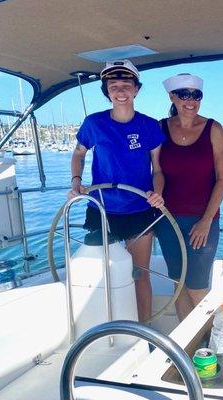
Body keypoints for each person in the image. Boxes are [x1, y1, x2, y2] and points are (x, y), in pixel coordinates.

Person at [68, 59, 164, 322]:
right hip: (101, 209)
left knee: (139, 273)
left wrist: (157, 192)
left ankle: (143, 330)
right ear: (106, 91)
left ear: (136, 90)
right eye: (113, 86)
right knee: (104, 274)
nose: (120, 91)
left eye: (126, 85)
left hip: (139, 210)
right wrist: (76, 182)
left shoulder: (149, 126)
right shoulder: (94, 124)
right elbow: (78, 155)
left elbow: (158, 169)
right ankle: (108, 327)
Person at [155, 73, 223, 322]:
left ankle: (212, 346)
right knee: (178, 286)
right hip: (167, 220)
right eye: (184, 94)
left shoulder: (213, 129)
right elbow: (157, 172)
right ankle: (187, 348)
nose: (191, 100)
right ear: (172, 97)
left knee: (197, 288)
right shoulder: (160, 127)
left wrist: (207, 220)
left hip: (203, 220)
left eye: (196, 95)